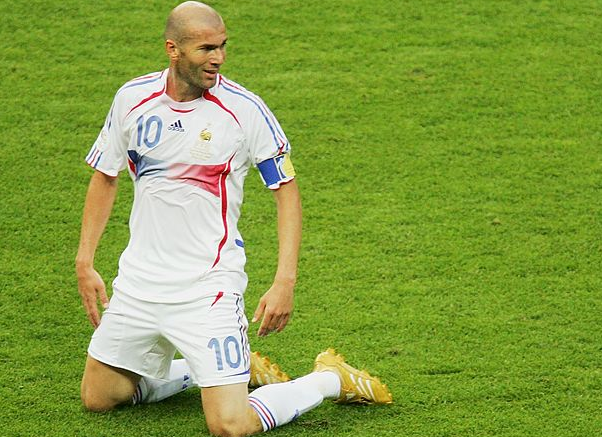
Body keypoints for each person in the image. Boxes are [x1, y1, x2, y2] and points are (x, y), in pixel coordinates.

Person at [75, 2, 392, 436]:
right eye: (206, 49)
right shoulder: (132, 99)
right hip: (140, 284)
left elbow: (286, 190)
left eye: (222, 46)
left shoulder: (243, 110)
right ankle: (211, 370)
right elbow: (105, 175)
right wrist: (85, 259)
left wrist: (285, 281)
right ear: (173, 49)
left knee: (230, 425)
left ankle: (328, 379)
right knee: (99, 397)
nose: (218, 58)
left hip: (208, 289)